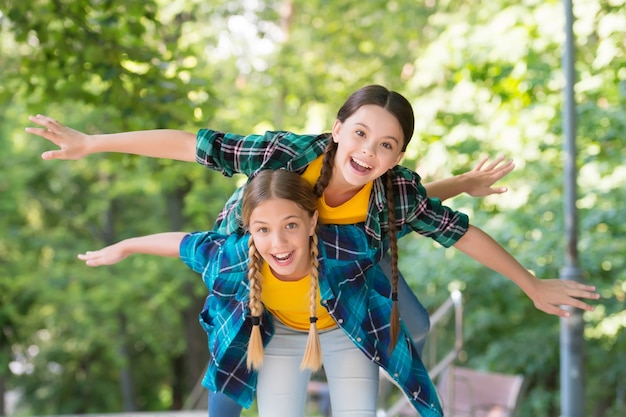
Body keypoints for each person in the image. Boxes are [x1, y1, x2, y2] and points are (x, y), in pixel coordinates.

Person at [27, 84, 599, 416]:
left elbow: (448, 225)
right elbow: (195, 144)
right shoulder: (286, 155)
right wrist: (93, 142)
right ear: (337, 128)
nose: (368, 150)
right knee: (230, 375)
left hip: (348, 269)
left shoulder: (393, 190)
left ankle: (346, 332)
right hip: (263, 263)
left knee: (415, 326)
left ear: (396, 157)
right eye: (359, 133)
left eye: (385, 145)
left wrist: (532, 283)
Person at [77, 169, 442, 417]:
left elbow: (402, 213)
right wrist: (125, 245)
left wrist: (460, 184)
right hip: (281, 336)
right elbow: (182, 243)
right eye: (263, 229)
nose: (278, 243)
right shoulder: (233, 258)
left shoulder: (345, 245)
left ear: (313, 221)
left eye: (291, 225)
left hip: (344, 333)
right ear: (248, 229)